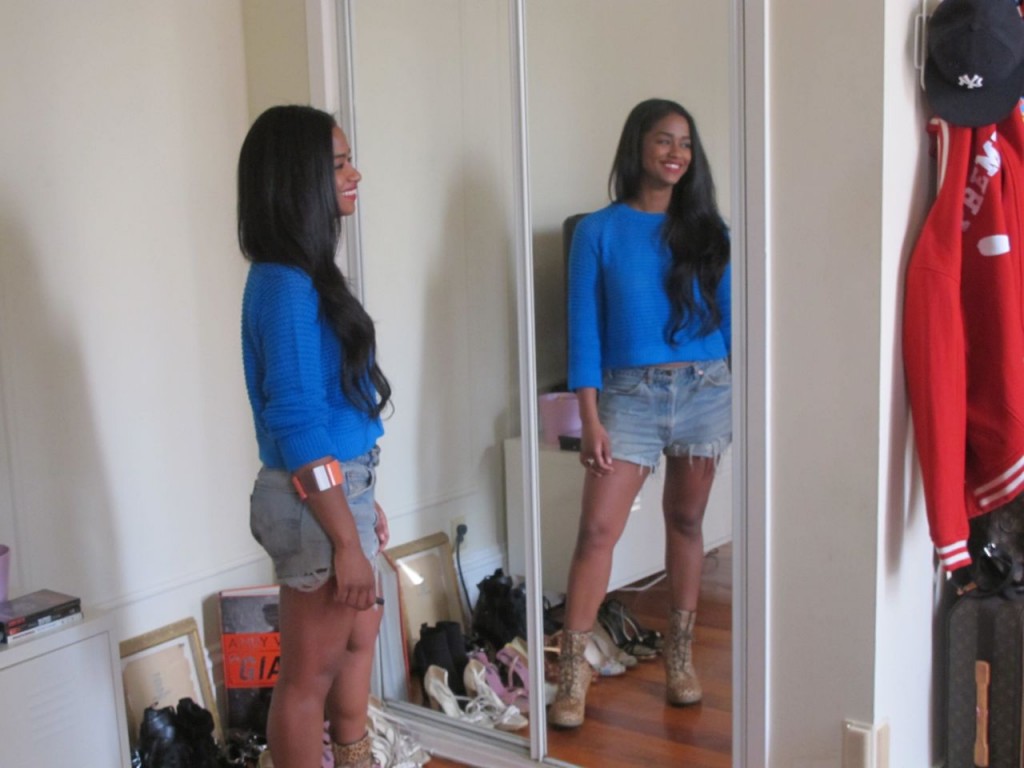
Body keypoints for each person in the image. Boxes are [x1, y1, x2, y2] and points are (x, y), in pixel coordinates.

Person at [550, 98, 731, 728]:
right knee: (597, 531)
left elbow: (732, 322)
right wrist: (589, 417)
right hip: (627, 396)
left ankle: (680, 658)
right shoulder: (597, 231)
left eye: (685, 143)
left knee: (686, 521)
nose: (676, 153)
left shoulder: (709, 231)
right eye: (663, 140)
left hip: (705, 388)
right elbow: (583, 331)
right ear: (638, 146)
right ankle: (572, 674)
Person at [238, 105, 392, 768]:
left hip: (338, 489)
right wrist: (344, 538)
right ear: (297, 179)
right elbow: (298, 429)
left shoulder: (306, 276)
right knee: (307, 682)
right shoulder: (283, 286)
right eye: (338, 165)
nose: (354, 175)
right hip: (314, 501)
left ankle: (355, 757)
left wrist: (362, 502)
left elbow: (331, 413)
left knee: (357, 644)